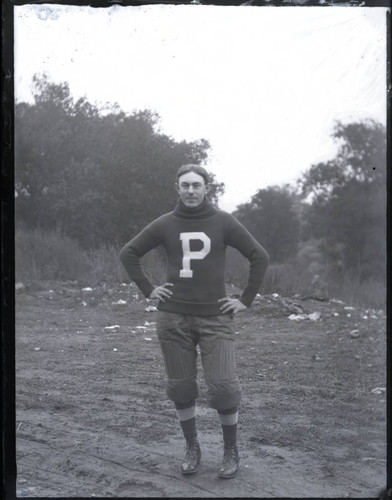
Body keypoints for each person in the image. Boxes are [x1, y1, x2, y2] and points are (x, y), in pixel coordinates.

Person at [119, 164, 269, 479]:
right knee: (181, 387)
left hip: (215, 317)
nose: (190, 191)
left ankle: (231, 450)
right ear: (177, 187)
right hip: (173, 317)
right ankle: (192, 447)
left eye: (196, 185)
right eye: (185, 185)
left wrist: (245, 299)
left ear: (205, 188)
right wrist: (149, 289)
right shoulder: (165, 223)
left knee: (225, 388)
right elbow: (129, 252)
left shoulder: (224, 222)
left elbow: (259, 256)